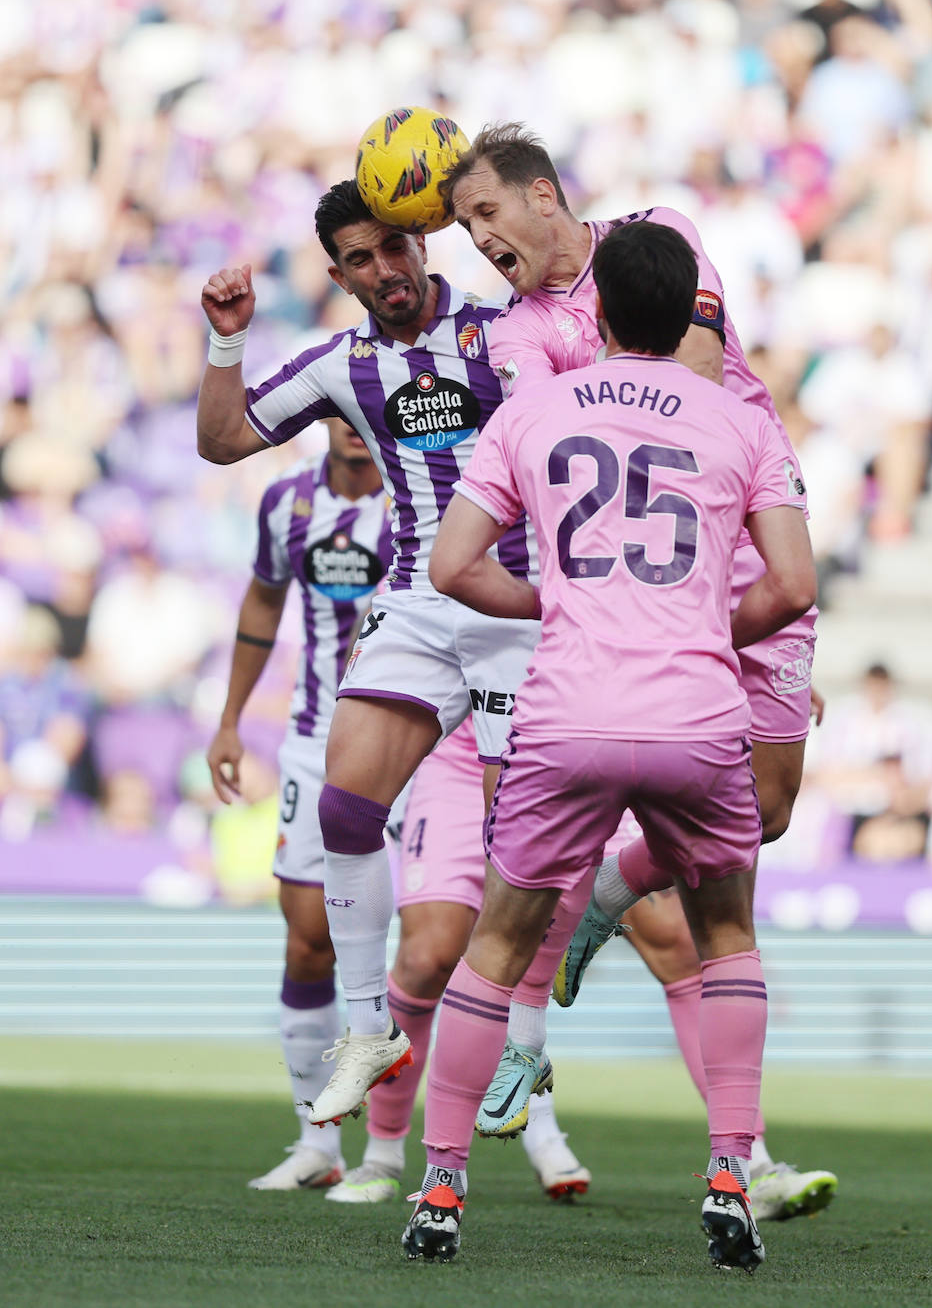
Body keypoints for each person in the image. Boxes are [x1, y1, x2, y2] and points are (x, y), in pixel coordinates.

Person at [440, 123, 836, 1224]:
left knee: (768, 811)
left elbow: (697, 385)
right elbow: (531, 428)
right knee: (716, 839)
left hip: (750, 528)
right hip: (645, 581)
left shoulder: (658, 240)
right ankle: (712, 1136)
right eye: (467, 228)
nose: (479, 242)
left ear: (541, 196)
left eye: (484, 215)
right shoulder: (514, 333)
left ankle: (611, 887)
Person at [197, 179, 542, 1128]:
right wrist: (228, 337)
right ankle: (367, 1029)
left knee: (521, 842)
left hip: (522, 601)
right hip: (422, 600)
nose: (383, 269)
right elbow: (224, 438)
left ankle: (525, 1044)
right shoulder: (341, 366)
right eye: (359, 258)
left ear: (423, 243)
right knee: (348, 807)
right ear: (341, 276)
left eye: (394, 247)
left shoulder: (503, 334)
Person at [206, 418, 392, 1189]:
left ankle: (407, 1149)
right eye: (338, 412)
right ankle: (317, 1141)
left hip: (416, 743)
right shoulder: (287, 504)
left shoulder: (429, 498)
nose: (354, 428)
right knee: (308, 939)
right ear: (322, 418)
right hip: (315, 743)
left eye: (364, 411)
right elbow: (261, 602)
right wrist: (229, 719)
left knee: (436, 946)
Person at [327, 716, 591, 1204]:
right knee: (427, 957)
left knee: (533, 946)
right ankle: (382, 1154)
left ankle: (746, 1156)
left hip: (558, 752)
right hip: (462, 760)